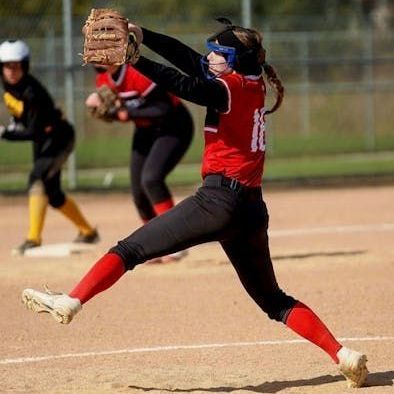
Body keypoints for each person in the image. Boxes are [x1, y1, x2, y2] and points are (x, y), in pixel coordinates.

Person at [21, 18, 368, 388]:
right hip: (251, 209)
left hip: (217, 202)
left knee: (130, 249)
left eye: (217, 54)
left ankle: (71, 301)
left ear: (232, 61)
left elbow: (184, 83)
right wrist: (145, 35)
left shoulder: (227, 88)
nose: (209, 57)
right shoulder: (251, 82)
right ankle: (343, 355)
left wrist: (134, 58)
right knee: (274, 300)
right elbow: (189, 61)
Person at [85, 63, 194, 262]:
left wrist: (127, 114)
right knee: (138, 191)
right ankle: (154, 244)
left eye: (102, 51)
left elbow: (164, 107)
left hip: (174, 125)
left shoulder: (137, 73)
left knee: (151, 179)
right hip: (146, 131)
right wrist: (109, 112)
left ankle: (175, 241)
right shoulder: (102, 79)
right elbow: (121, 112)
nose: (96, 56)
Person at [0, 40, 99, 255]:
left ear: (25, 66)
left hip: (58, 139)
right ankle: (88, 232)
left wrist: (5, 133)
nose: (11, 71)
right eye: (6, 66)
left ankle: (33, 239)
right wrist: (13, 126)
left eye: (16, 65)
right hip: (43, 141)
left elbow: (34, 131)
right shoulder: (8, 85)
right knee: (53, 194)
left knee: (37, 179)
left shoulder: (31, 92)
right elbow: (24, 119)